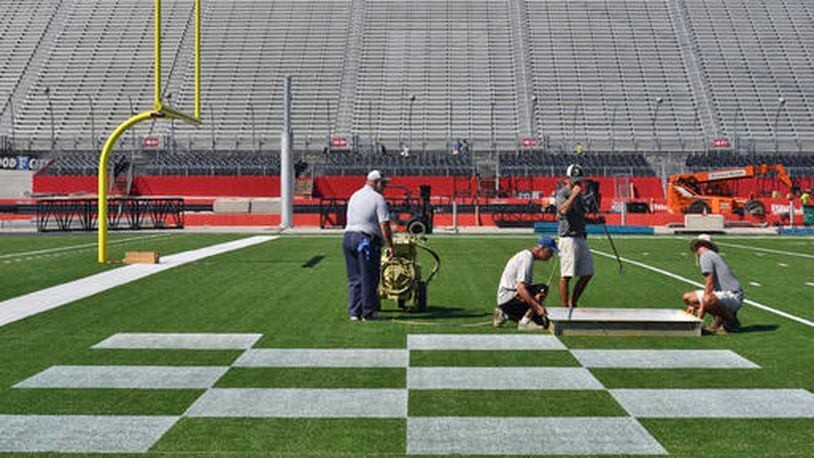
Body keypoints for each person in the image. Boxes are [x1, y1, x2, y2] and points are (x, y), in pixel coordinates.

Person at [343, 170, 394, 321]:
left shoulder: (355, 195)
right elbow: (384, 225)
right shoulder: (378, 199)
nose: (384, 186)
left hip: (348, 238)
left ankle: (354, 312)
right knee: (369, 277)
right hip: (364, 240)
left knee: (354, 278)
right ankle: (368, 312)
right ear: (377, 182)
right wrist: (390, 246)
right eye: (383, 183)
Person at [493, 237, 558, 331]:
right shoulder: (526, 259)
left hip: (506, 297)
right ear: (542, 248)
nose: (551, 255)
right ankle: (524, 322)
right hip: (509, 298)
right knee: (542, 289)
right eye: (550, 251)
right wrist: (537, 307)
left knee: (539, 319)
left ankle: (505, 314)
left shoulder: (526, 255)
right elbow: (521, 288)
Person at [683, 234, 743, 333]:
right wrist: (694, 305)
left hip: (732, 295)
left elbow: (709, 283)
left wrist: (701, 311)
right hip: (724, 295)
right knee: (689, 297)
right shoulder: (710, 255)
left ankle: (731, 321)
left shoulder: (705, 256)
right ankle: (721, 320)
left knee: (707, 299)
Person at [556, 164, 594, 308]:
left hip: (581, 236)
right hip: (568, 237)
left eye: (580, 180)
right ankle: (565, 306)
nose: (578, 182)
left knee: (588, 272)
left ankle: (573, 302)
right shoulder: (562, 193)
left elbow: (579, 215)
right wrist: (573, 195)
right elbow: (563, 210)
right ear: (568, 179)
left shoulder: (579, 196)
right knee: (567, 274)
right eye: (575, 179)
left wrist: (594, 220)